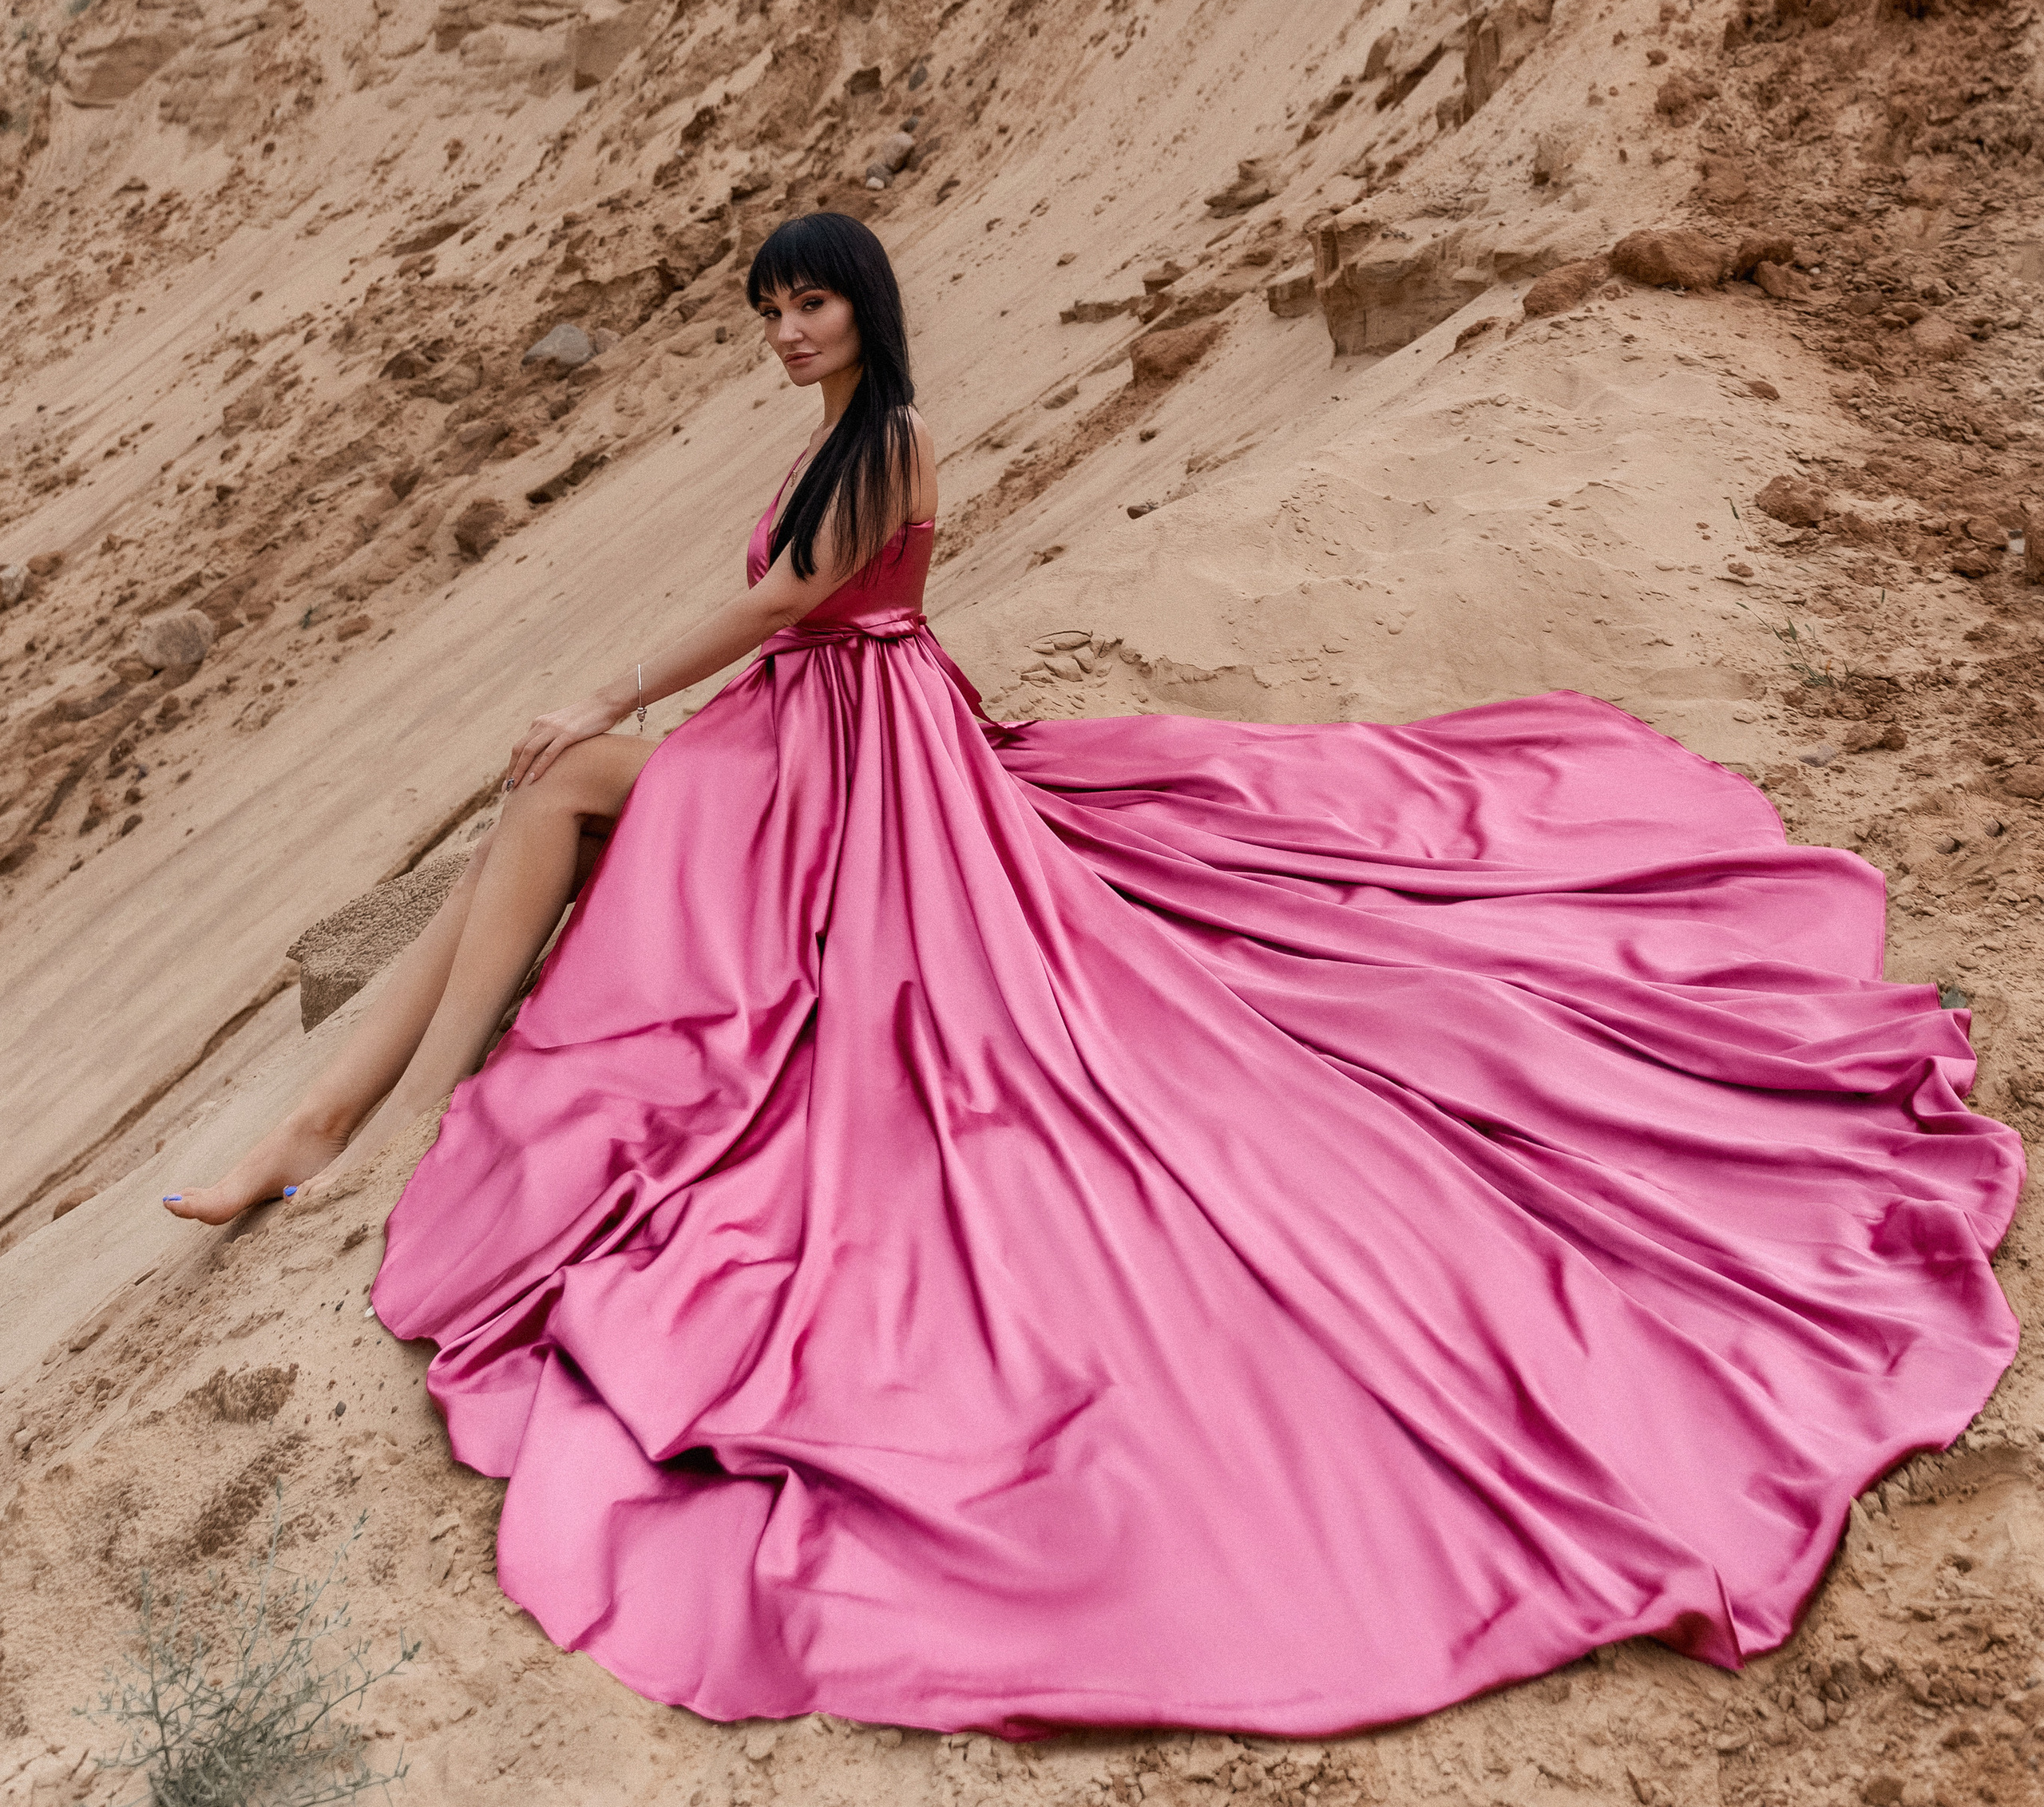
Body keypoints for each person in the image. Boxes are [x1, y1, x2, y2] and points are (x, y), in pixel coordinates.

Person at [168, 214, 2022, 1738]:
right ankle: (339, 1108)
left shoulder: (885, 431)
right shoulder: (827, 435)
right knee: (548, 799)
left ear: (860, 307)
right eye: (767, 311)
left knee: (567, 775)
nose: (785, 330)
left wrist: (607, 689)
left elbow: (782, 605)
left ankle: (359, 1114)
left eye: (805, 300)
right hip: (801, 739)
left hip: (855, 754)